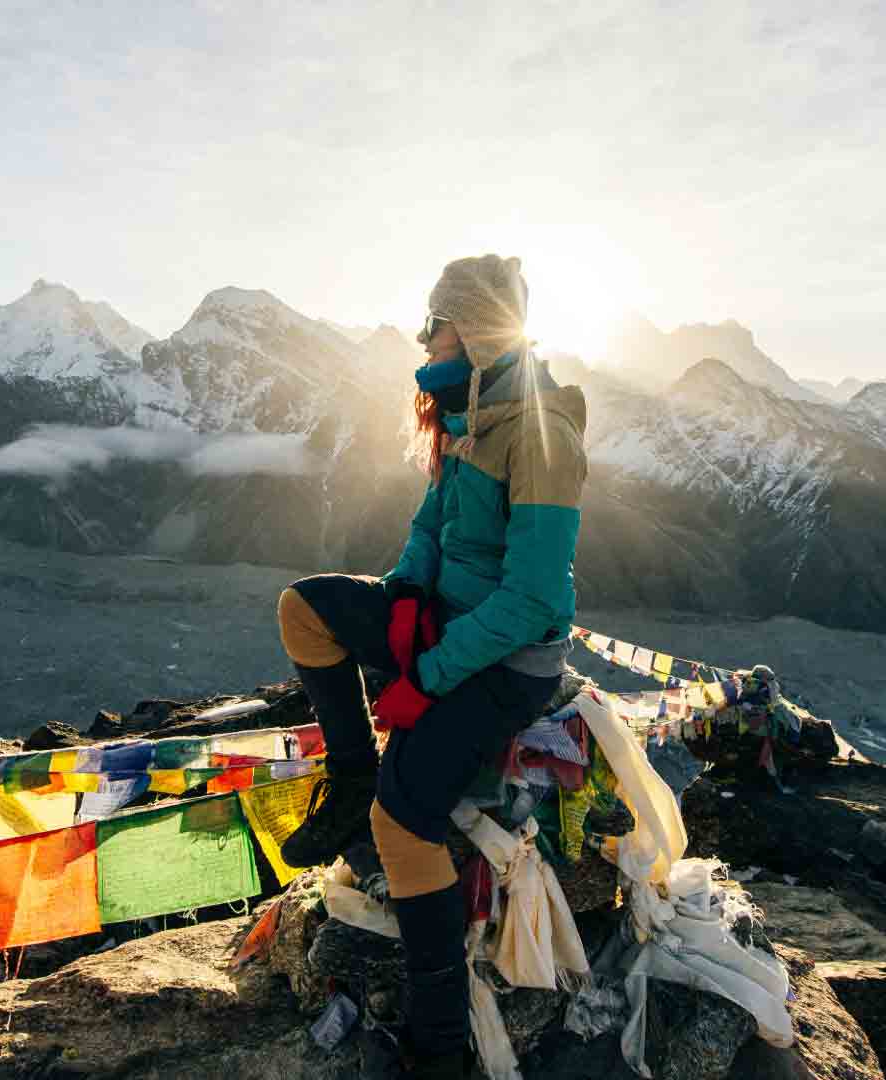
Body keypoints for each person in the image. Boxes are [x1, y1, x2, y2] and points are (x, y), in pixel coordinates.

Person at [273, 254, 588, 1075]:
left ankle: (440, 1041)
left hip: (507, 660)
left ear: (477, 332)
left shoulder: (541, 435)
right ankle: (347, 778)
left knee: (403, 817)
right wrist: (406, 593)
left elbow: (529, 603)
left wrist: (427, 676)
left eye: (434, 324)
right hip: (447, 623)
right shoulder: (465, 418)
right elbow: (427, 526)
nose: (422, 338)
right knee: (306, 608)